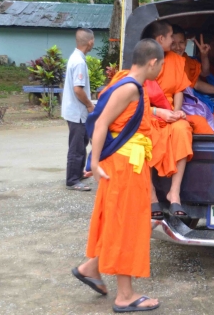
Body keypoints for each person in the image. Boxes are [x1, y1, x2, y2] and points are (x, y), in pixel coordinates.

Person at [72, 39, 163, 313]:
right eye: (162, 64)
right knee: (128, 225)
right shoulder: (130, 88)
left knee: (117, 221)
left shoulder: (128, 82)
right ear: (152, 63)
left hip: (127, 163)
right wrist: (95, 161)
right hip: (125, 166)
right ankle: (125, 295)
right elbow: (101, 123)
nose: (161, 69)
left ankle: (90, 268)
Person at [144, 20, 194, 218]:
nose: (174, 40)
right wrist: (158, 112)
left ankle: (174, 192)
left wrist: (177, 112)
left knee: (183, 129)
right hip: (150, 114)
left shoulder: (176, 60)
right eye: (171, 36)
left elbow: (179, 89)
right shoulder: (144, 60)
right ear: (160, 39)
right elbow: (136, 101)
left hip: (170, 114)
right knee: (142, 137)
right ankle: (152, 195)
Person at [171, 25, 214, 135]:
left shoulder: (185, 58)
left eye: (181, 43)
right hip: (181, 106)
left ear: (186, 43)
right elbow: (196, 85)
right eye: (173, 43)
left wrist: (204, 55)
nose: (178, 47)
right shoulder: (165, 60)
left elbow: (203, 74)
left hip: (191, 102)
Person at [61, 28, 95, 191]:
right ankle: (73, 180)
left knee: (81, 143)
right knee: (77, 146)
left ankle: (78, 173)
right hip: (77, 112)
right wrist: (89, 104)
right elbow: (78, 89)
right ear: (90, 42)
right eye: (93, 40)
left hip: (74, 110)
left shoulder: (75, 57)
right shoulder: (79, 62)